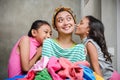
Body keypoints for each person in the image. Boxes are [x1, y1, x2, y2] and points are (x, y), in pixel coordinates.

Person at [75, 15, 120, 80]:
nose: (77, 25)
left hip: (110, 78)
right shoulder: (85, 43)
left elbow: (96, 68)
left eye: (81, 23)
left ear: (88, 29)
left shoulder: (89, 43)